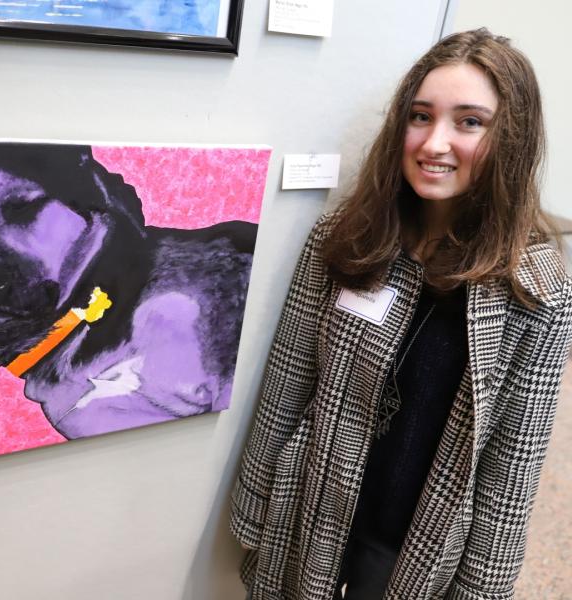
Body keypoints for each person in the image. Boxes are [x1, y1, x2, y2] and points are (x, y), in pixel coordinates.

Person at [230, 29, 572, 600]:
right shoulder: (347, 238)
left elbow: (511, 467)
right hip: (311, 505)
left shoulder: (536, 292)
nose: (434, 143)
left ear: (511, 139)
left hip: (415, 541)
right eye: (421, 116)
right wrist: (255, 502)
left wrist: (481, 590)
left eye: (469, 122)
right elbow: (290, 379)